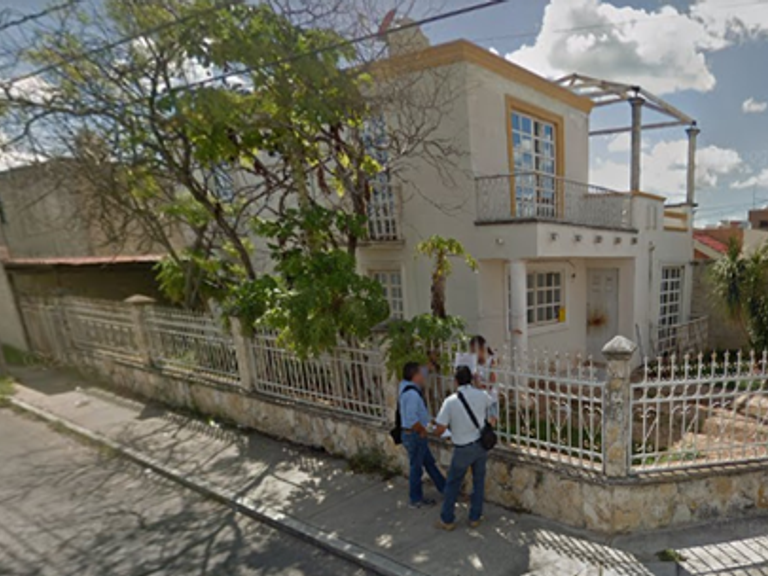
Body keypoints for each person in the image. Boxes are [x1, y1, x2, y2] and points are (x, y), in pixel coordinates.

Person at [431, 365, 496, 530]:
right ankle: (475, 517)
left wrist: (434, 431)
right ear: (471, 379)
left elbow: (440, 428)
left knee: (453, 483)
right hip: (480, 445)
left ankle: (447, 520)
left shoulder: (450, 401)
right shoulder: (481, 395)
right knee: (478, 481)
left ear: (455, 381)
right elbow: (493, 404)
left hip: (462, 448)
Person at [399, 361, 446, 508]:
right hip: (415, 435)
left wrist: (429, 365)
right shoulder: (412, 394)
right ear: (415, 376)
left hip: (412, 434)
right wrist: (422, 430)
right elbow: (412, 419)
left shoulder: (404, 386)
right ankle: (415, 499)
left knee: (429, 463)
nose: (424, 376)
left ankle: (445, 489)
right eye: (421, 373)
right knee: (416, 468)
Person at [469, 335, 499, 421]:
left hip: (490, 399)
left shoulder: (491, 361)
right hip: (477, 399)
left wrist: (480, 385)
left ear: (482, 349)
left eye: (474, 351)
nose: (472, 354)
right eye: (471, 351)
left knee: (490, 424)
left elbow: (492, 381)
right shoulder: (473, 364)